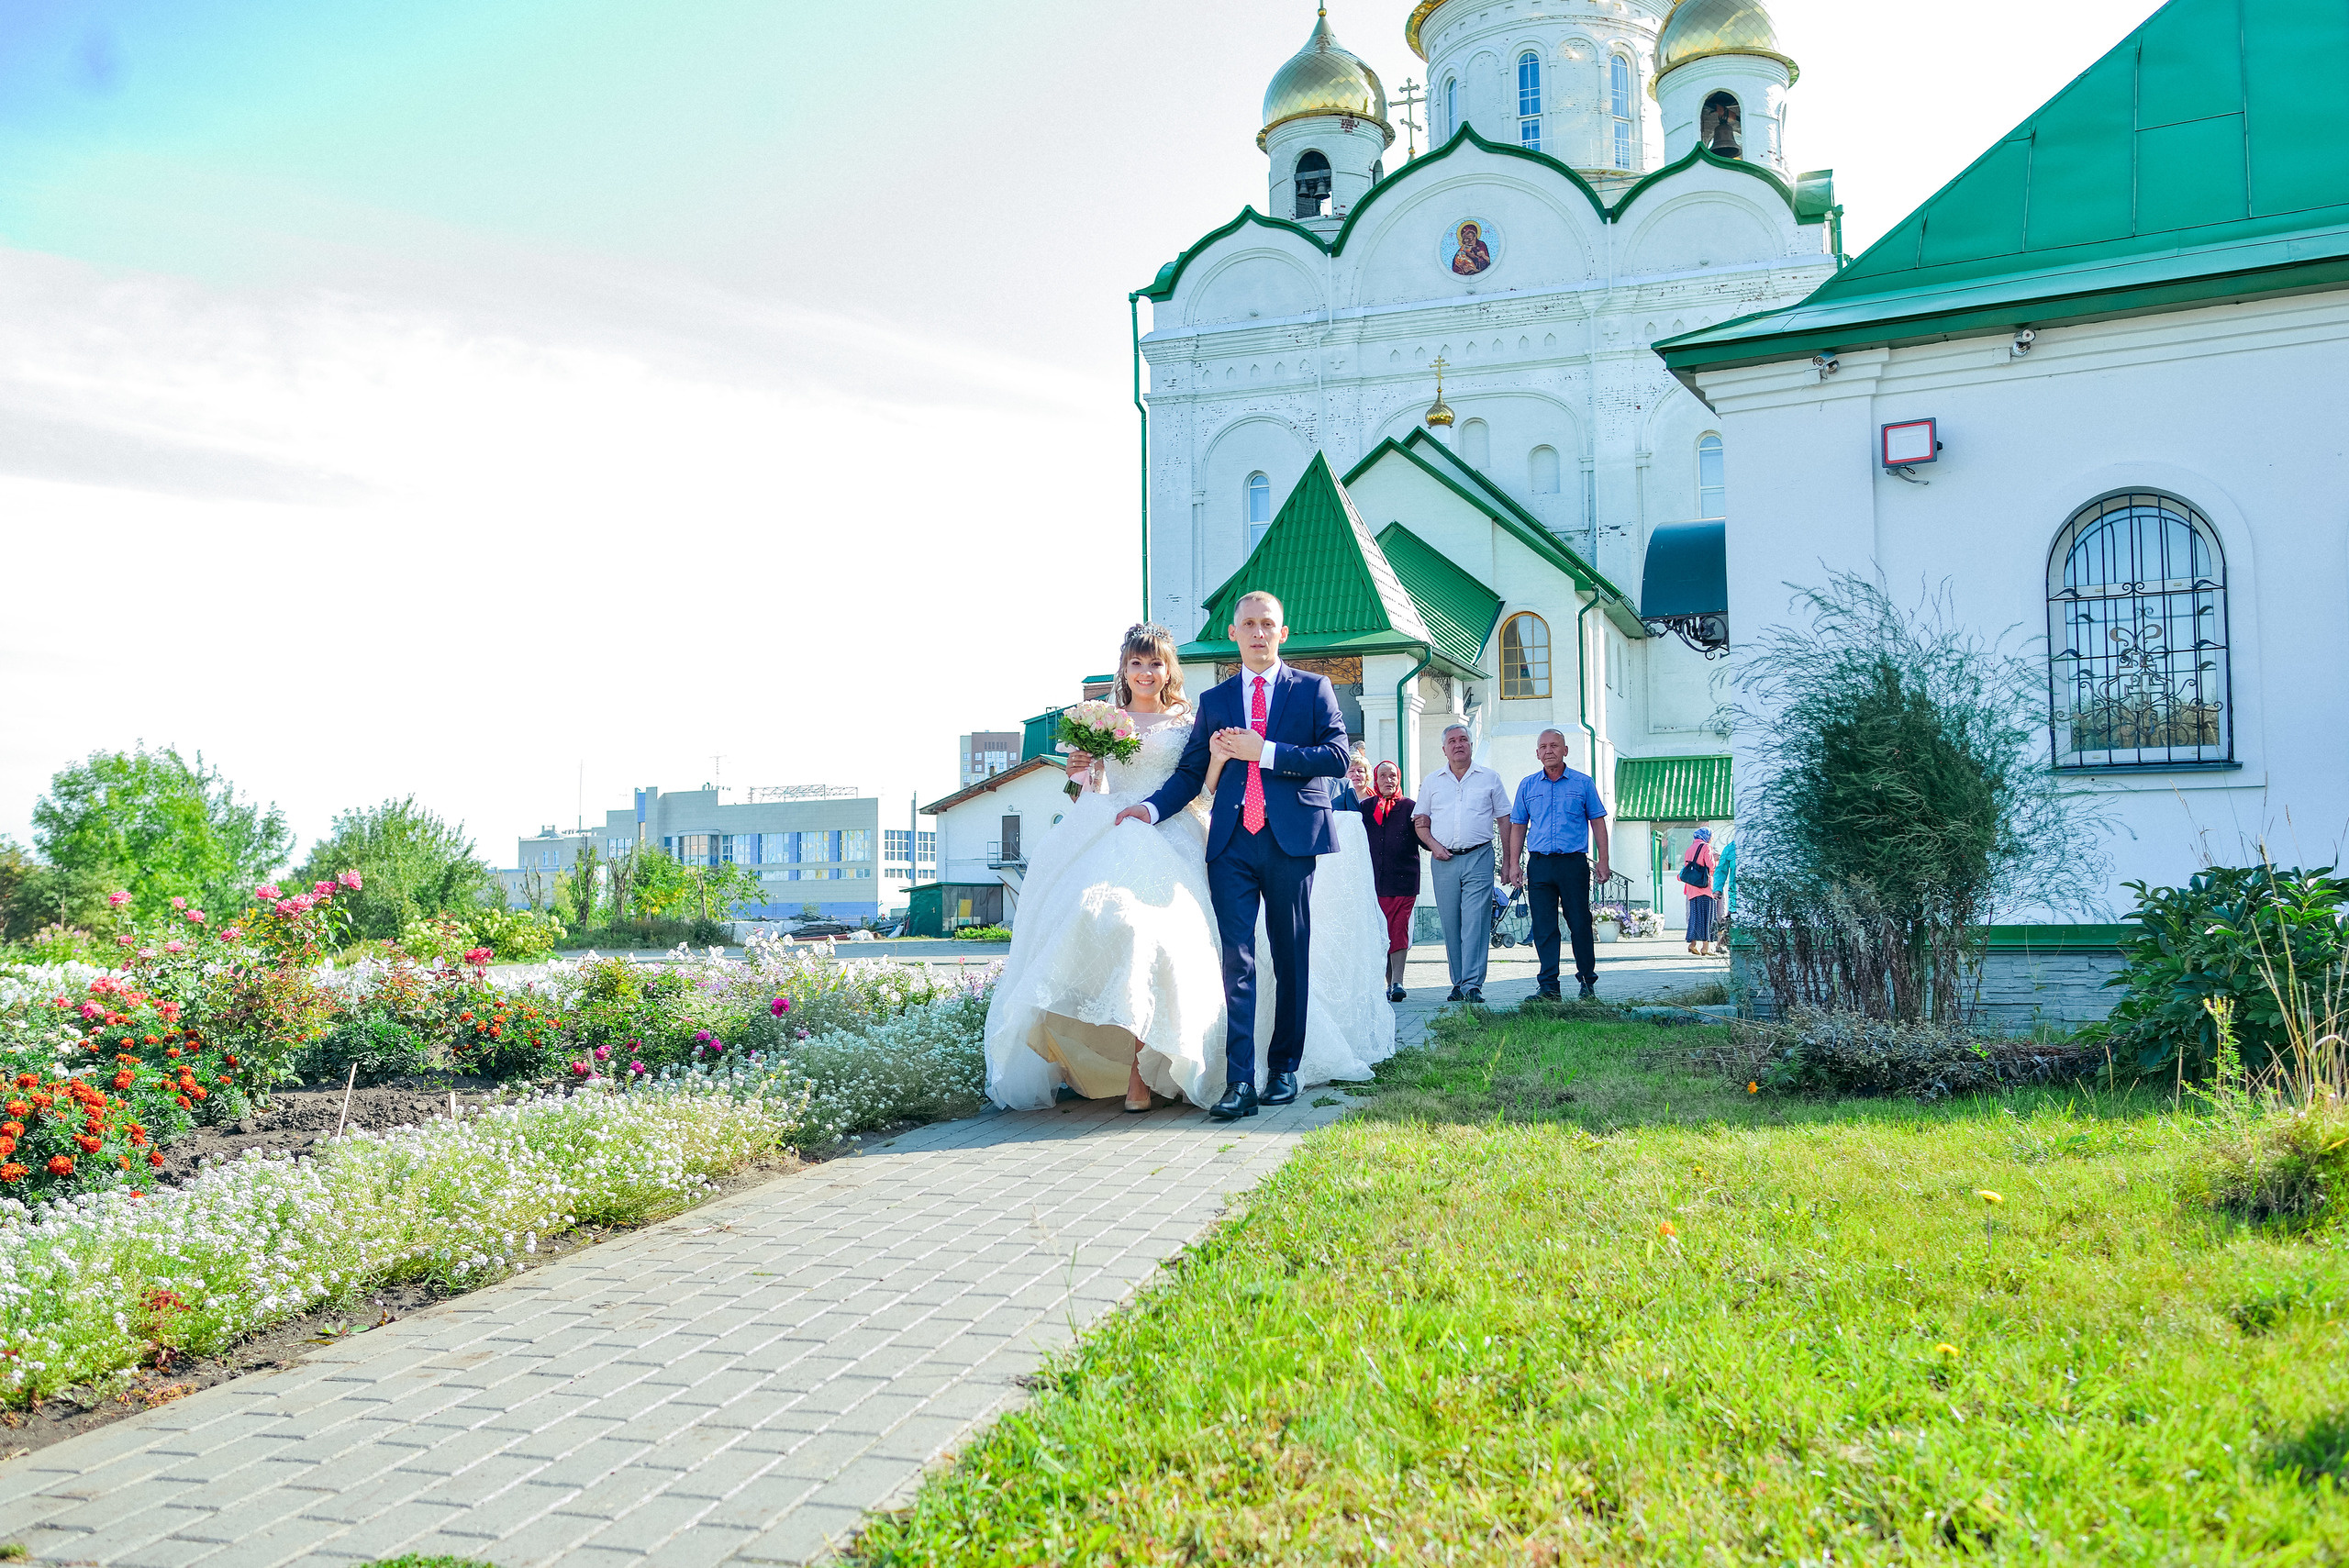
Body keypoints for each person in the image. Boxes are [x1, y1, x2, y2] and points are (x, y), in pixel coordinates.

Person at [986, 619, 1395, 1116]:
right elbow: (1103, 785)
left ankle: (1265, 1065)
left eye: (1155, 662)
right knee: (1124, 931)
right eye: (1135, 663)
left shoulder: (1204, 714)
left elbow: (1202, 779)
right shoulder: (1116, 717)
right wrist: (1085, 773)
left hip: (1197, 834)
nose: (1145, 671)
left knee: (1257, 952)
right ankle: (1180, 1073)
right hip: (1130, 829)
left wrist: (1244, 757)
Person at [1502, 729, 1611, 1001]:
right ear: (1537, 754)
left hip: (1572, 864)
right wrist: (1514, 864)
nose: (1548, 750)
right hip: (1539, 865)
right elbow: (1518, 826)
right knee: (1543, 925)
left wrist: (1604, 860)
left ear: (1565, 750)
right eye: (1543, 746)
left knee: (1579, 922)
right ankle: (1549, 986)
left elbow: (1598, 821)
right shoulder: (1527, 785)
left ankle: (1587, 983)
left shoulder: (1583, 783)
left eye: (1554, 745)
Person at [1414, 724, 1512, 1006]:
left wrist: (1507, 862)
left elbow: (1505, 819)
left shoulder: (1489, 778)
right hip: (1443, 860)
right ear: (1444, 748)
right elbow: (1420, 822)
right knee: (1451, 922)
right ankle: (1458, 982)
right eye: (1452, 741)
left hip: (1479, 857)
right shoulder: (1433, 781)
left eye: (1463, 740)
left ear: (1471, 744)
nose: (1458, 745)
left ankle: (1472, 984)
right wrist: (1434, 846)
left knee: (1475, 922)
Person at [1347, 759, 1419, 1002]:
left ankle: (1398, 981)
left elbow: (1423, 837)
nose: (1389, 780)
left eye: (1393, 776)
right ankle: (1389, 983)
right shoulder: (1365, 808)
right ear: (1375, 780)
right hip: (1373, 882)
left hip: (1403, 881)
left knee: (1398, 930)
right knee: (1381, 933)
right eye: (1383, 776)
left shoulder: (1410, 807)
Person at [1681, 828, 1720, 955]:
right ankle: (1705, 948)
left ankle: (1693, 945)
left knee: (1695, 917)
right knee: (1708, 917)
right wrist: (1716, 860)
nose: (1712, 839)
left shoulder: (1689, 849)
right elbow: (1711, 866)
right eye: (1711, 836)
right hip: (1705, 888)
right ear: (1707, 836)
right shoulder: (1706, 847)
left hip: (1692, 889)